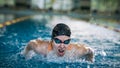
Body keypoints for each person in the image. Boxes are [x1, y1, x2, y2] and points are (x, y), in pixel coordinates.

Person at [23, 23, 94, 62]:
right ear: (52, 40)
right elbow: (31, 44)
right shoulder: (41, 48)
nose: (62, 45)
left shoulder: (77, 51)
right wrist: (25, 55)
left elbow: (90, 51)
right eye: (58, 41)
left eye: (66, 42)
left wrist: (90, 61)